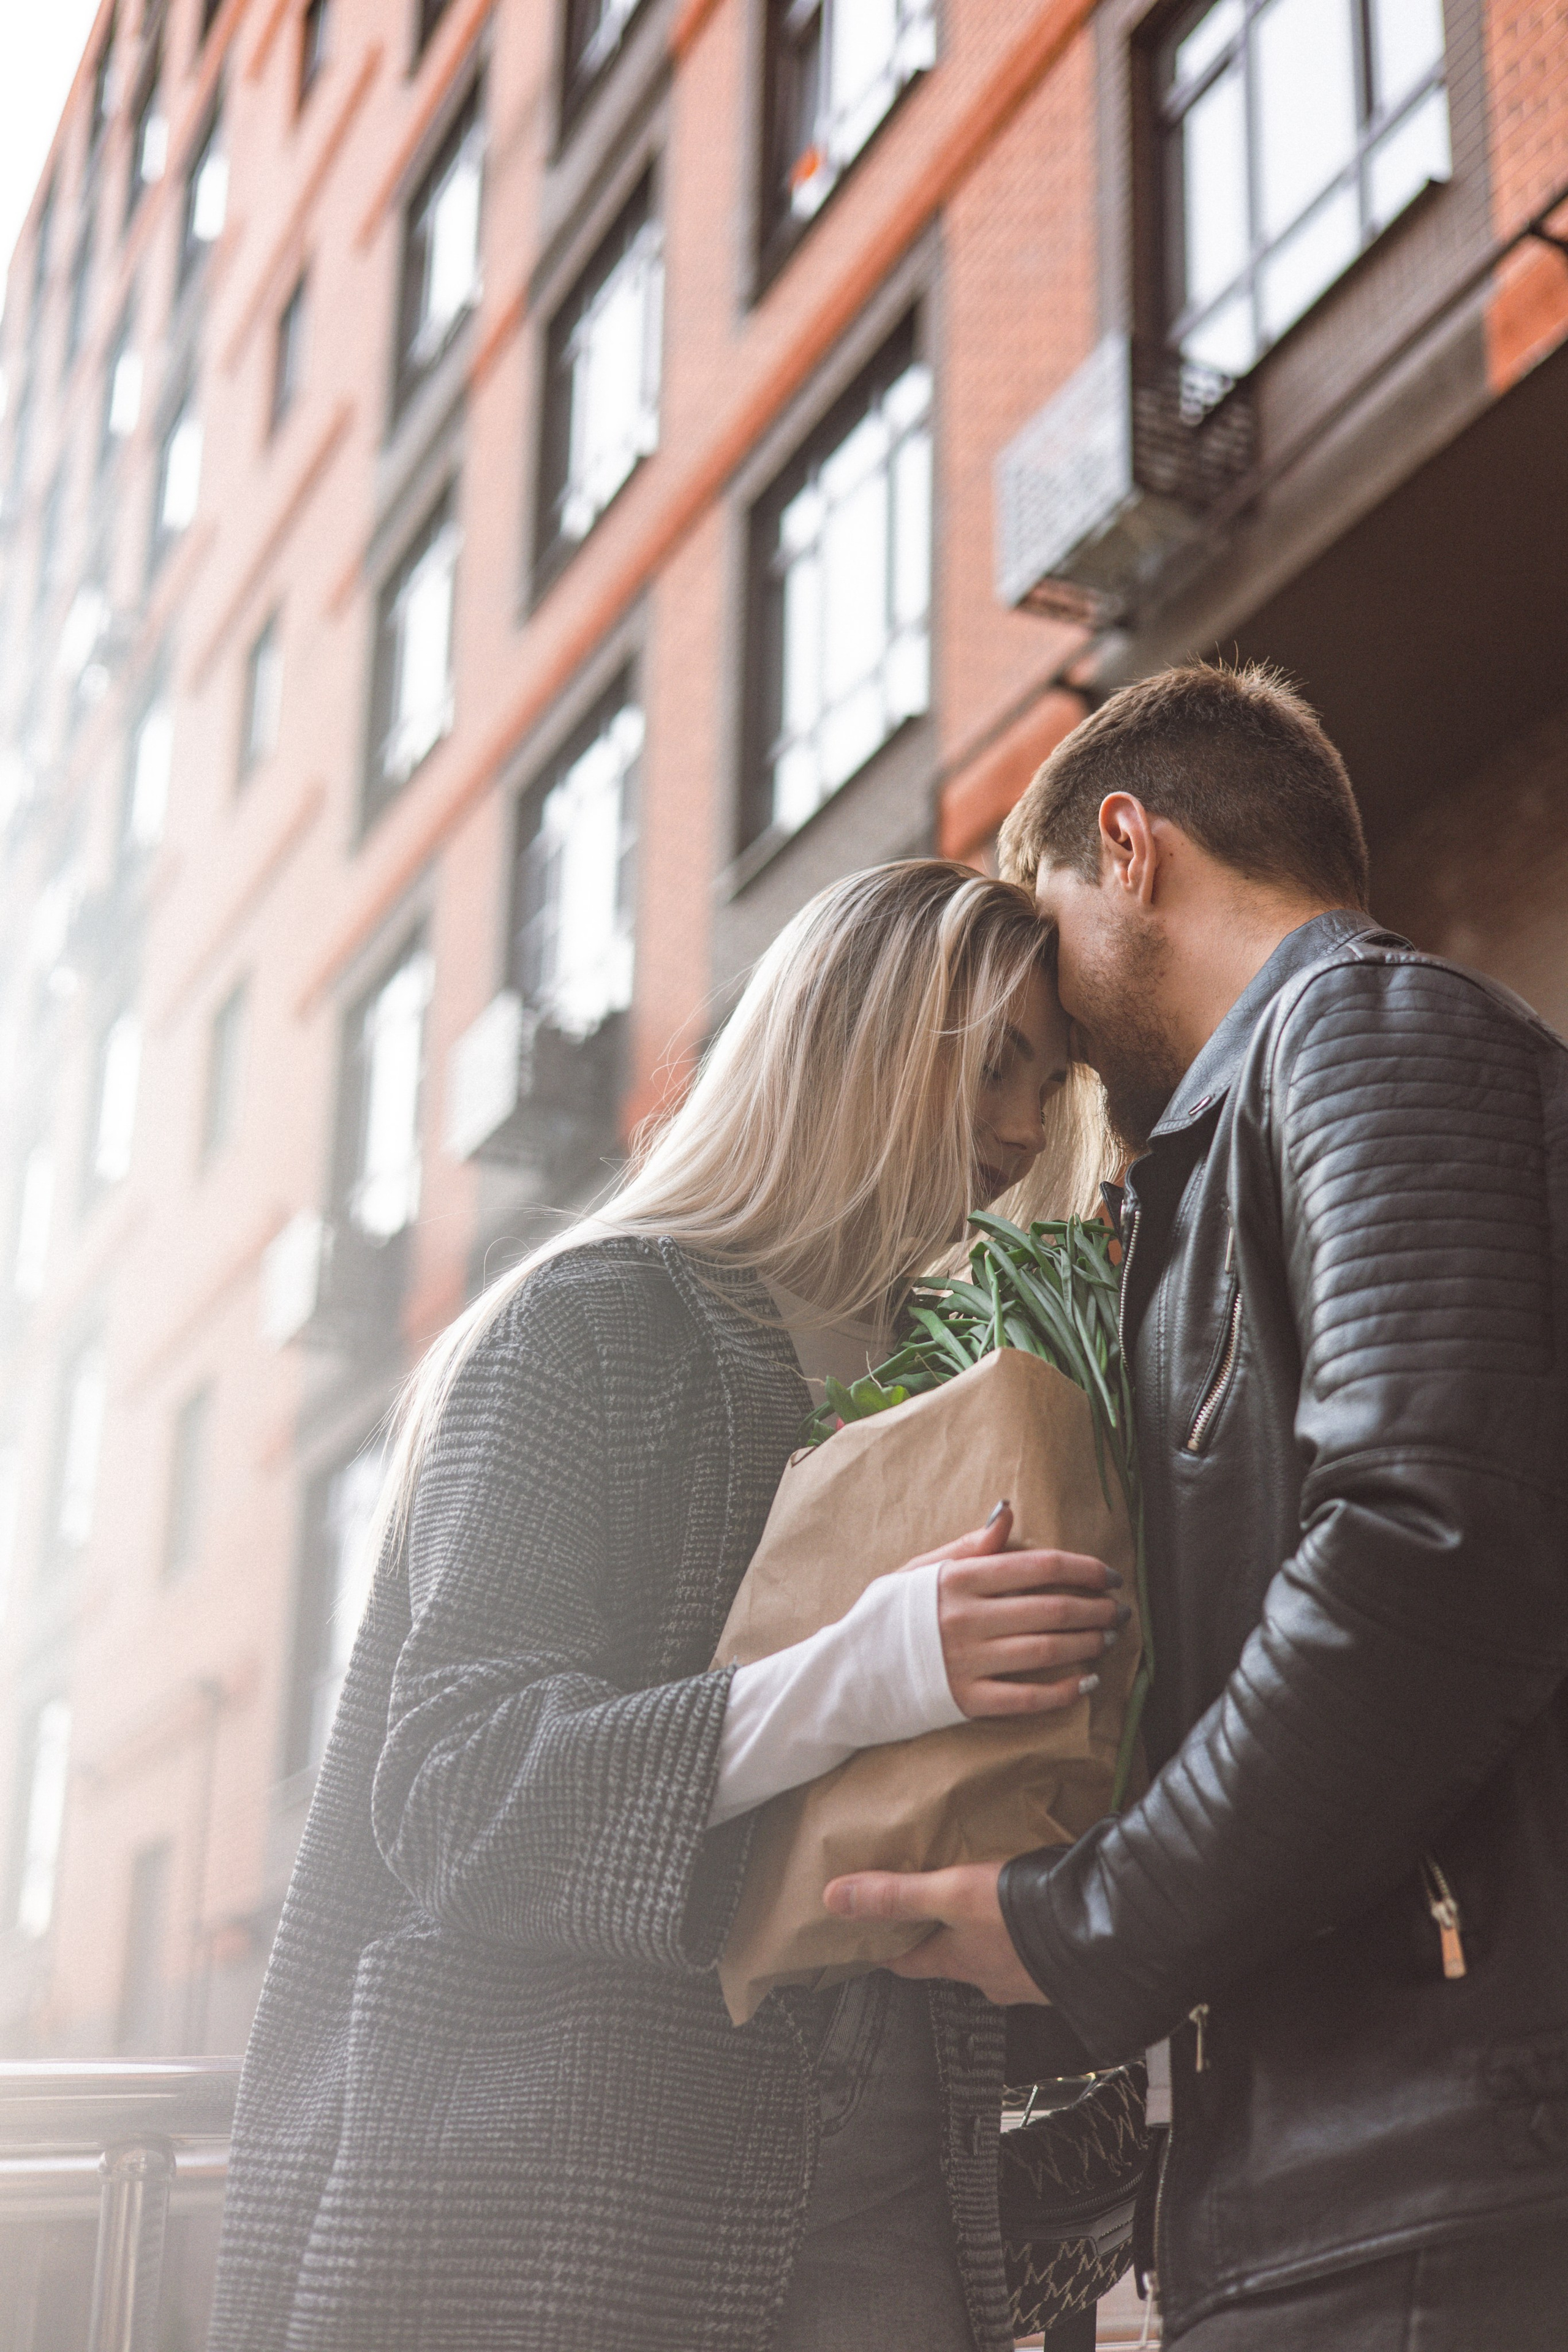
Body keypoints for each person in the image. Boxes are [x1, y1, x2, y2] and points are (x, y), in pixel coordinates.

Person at [207, 860, 1123, 2352]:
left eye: (1050, 1080)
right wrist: (860, 1673)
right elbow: (453, 1788)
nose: (1023, 1130)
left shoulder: (967, 1372)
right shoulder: (590, 1323)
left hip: (901, 2223)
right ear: (854, 1042)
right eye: (993, 1066)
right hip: (576, 2232)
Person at [825, 664, 1568, 2348]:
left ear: (1127, 845)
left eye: (1046, 926)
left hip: (1431, 2183)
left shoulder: (1368, 1031)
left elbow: (1429, 1549)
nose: (1057, 1037)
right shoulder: (1230, 1148)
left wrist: (1088, 1924)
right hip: (1347, 2183)